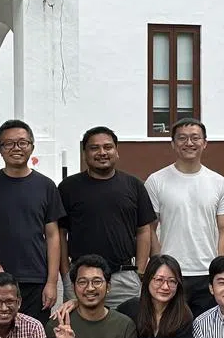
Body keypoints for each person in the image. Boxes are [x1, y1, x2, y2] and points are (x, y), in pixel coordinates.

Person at [0, 119, 65, 322]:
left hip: (35, 279)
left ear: (31, 147)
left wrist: (51, 282)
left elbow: (52, 236)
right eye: (9, 143)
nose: (16, 148)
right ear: (0, 149)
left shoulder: (46, 186)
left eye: (22, 142)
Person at [145, 118, 224, 316]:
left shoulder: (218, 182)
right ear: (173, 143)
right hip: (171, 274)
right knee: (170, 329)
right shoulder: (156, 181)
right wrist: (159, 262)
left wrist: (219, 268)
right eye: (182, 138)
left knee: (207, 332)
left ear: (204, 143)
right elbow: (149, 228)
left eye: (195, 138)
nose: (189, 143)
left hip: (206, 272)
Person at [58, 126, 156, 308]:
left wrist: (140, 272)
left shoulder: (134, 186)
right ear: (85, 153)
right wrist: (65, 274)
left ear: (116, 151)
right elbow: (60, 234)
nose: (102, 152)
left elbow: (144, 231)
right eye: (94, 148)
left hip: (124, 280)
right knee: (80, 333)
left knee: (129, 332)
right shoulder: (68, 188)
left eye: (108, 147)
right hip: (81, 279)